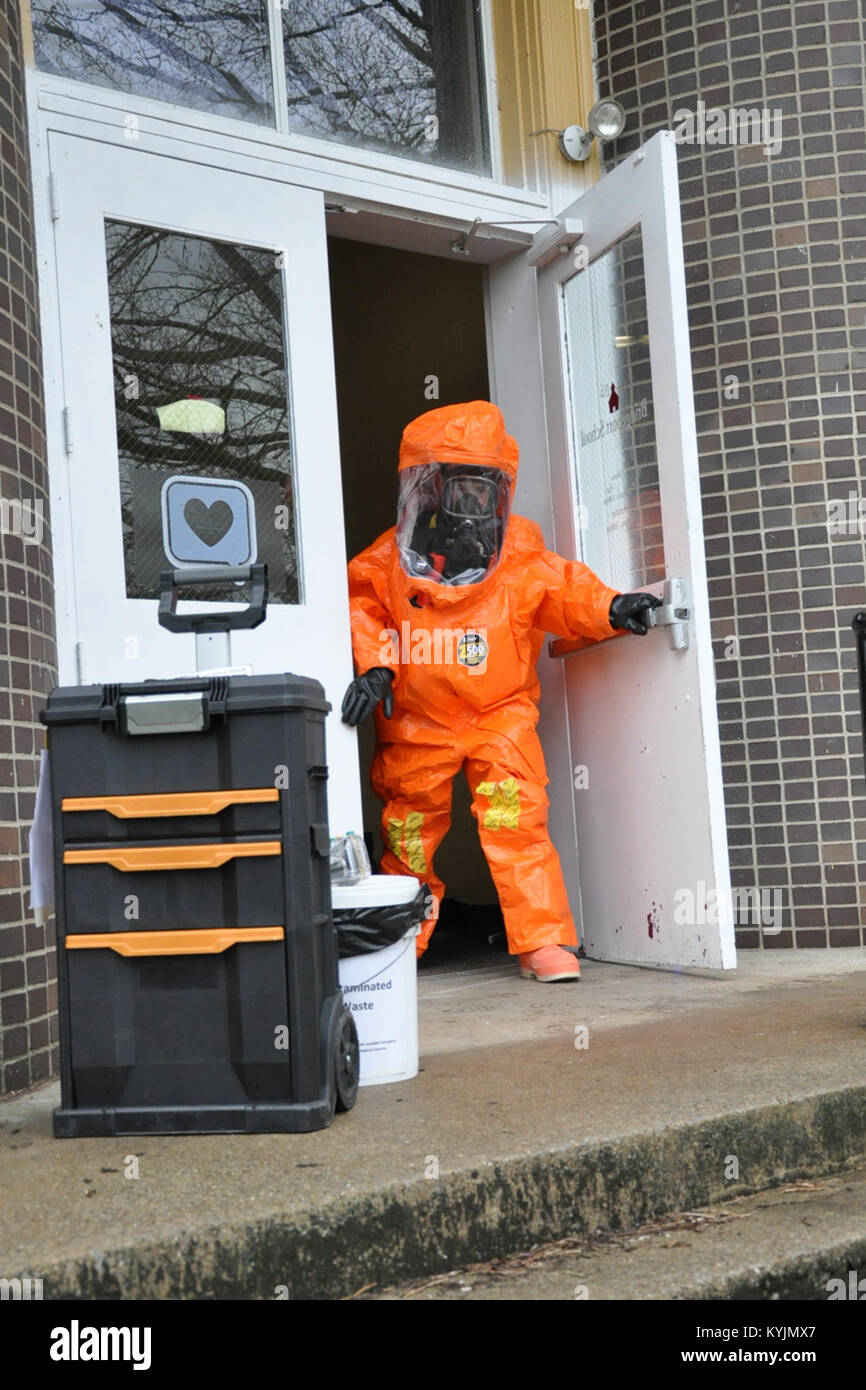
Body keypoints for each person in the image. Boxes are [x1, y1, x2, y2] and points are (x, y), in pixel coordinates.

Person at [341, 401, 660, 982]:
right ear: (429, 488)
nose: (475, 508)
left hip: (498, 718)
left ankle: (541, 942)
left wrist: (612, 607)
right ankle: (398, 944)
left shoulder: (518, 557)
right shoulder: (387, 560)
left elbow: (563, 591)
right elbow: (364, 608)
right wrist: (377, 667)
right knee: (409, 833)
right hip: (417, 725)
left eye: (485, 493)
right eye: (462, 491)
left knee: (516, 826)